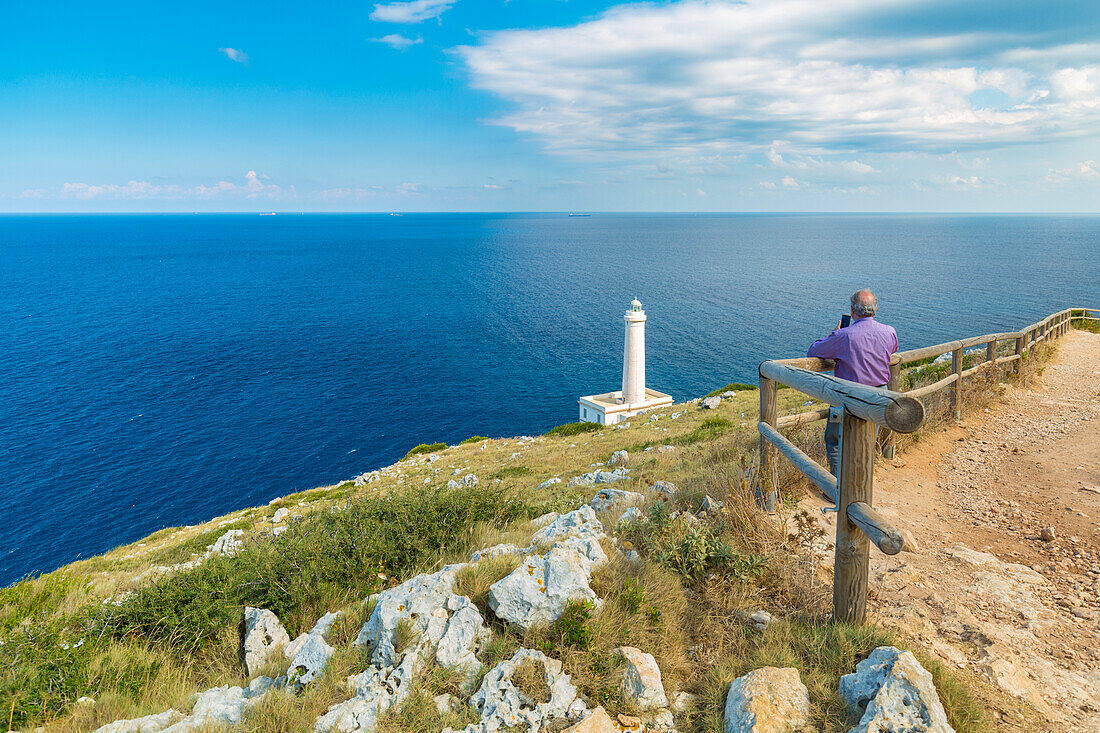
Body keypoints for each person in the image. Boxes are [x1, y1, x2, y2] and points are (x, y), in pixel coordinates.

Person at [806, 289, 898, 476]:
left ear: (852, 310)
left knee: (836, 441)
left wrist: (833, 334)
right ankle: (862, 481)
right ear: (875, 309)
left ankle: (837, 488)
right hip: (879, 395)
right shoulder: (889, 332)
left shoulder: (844, 336)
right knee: (867, 440)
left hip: (849, 396)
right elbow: (893, 349)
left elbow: (813, 351)